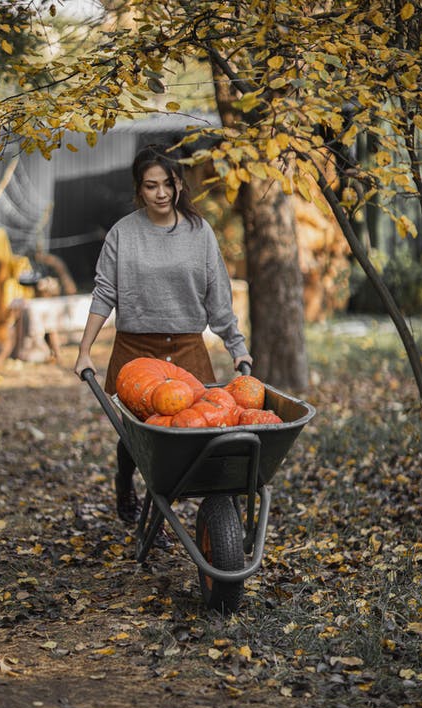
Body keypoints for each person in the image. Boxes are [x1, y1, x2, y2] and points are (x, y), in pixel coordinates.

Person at [74, 143, 252, 548]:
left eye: (167, 184)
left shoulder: (199, 232)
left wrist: (236, 346)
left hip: (187, 348)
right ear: (139, 189)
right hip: (136, 348)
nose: (160, 193)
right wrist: (84, 349)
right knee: (139, 437)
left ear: (178, 185)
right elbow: (104, 293)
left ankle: (175, 513)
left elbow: (217, 297)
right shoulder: (124, 233)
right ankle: (128, 483)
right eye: (150, 186)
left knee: (196, 433)